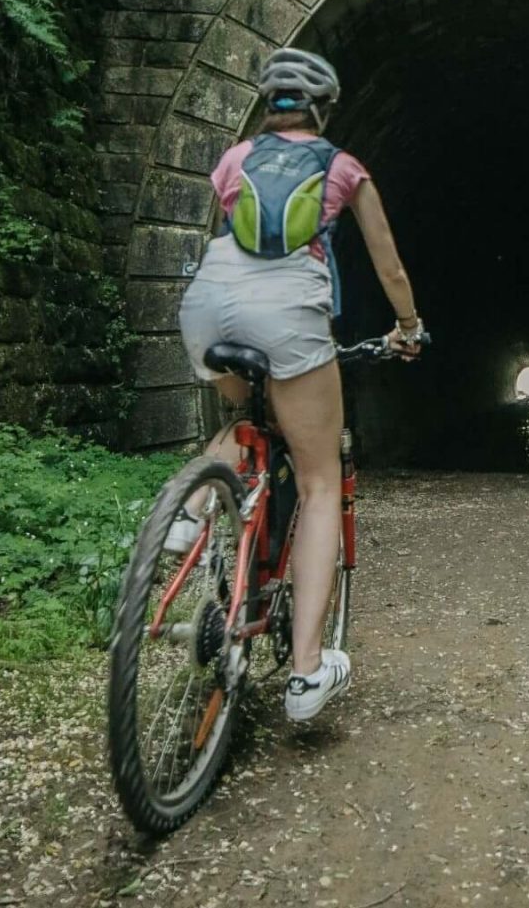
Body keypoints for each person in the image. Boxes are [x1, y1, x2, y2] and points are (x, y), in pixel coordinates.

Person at [175, 46, 425, 722]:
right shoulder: (343, 167)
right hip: (290, 314)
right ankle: (308, 670)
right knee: (318, 482)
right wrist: (408, 324)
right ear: (322, 108)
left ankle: (186, 515)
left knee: (243, 422)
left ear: (267, 104)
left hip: (209, 307)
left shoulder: (232, 159)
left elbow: (227, 230)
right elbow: (389, 264)